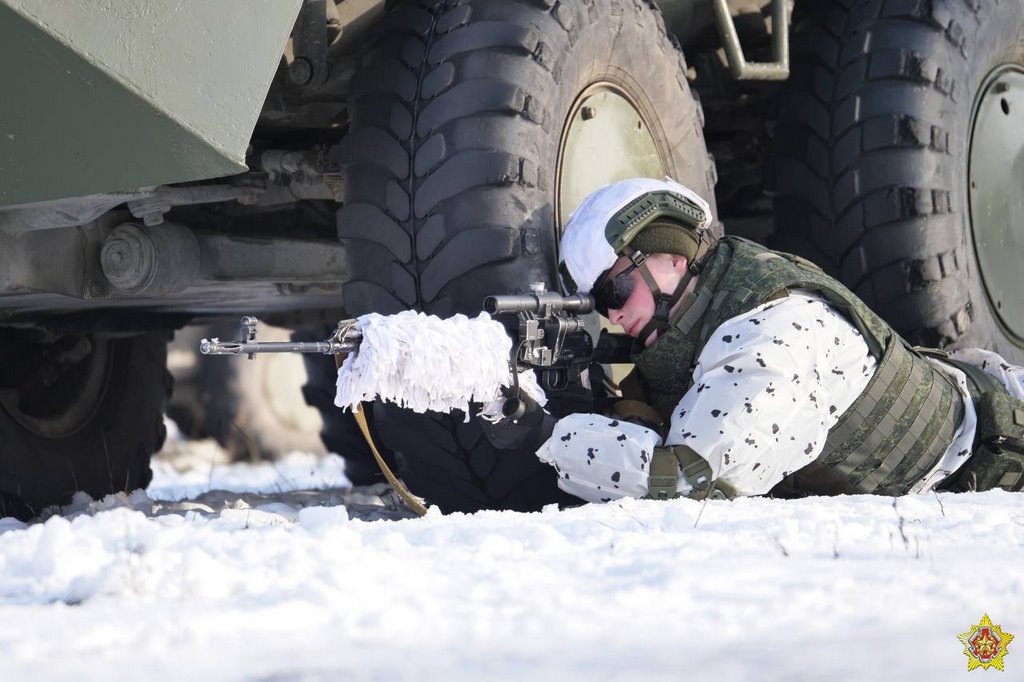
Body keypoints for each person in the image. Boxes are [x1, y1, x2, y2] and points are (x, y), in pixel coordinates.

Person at [529, 177, 1024, 503]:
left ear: (672, 259)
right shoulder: (709, 302)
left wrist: (545, 435)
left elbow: (687, 482)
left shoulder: (772, 333)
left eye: (615, 289)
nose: (612, 313)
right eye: (598, 302)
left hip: (994, 467)